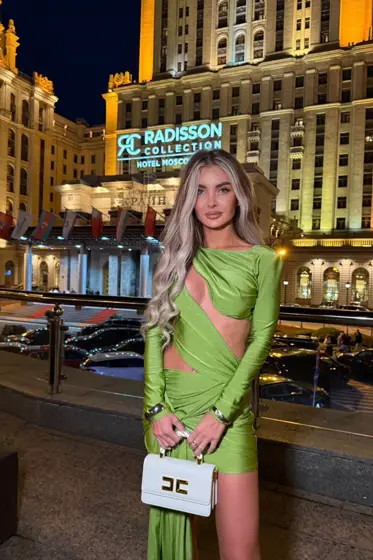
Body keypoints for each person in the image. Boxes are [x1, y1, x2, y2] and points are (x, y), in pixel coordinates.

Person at [141, 150, 283, 560]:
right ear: (189, 199)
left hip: (226, 413)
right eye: (200, 191)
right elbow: (155, 332)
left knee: (242, 550)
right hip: (168, 410)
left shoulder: (262, 260)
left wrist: (222, 414)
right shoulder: (175, 256)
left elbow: (261, 340)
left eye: (223, 189)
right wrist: (155, 407)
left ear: (239, 195)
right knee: (176, 537)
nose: (211, 202)